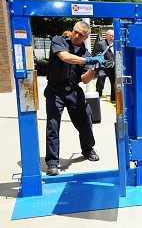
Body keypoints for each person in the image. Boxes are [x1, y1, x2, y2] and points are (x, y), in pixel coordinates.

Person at [44, 21, 105, 176]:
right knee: (53, 125)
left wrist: (94, 67)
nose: (76, 36)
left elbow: (85, 79)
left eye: (81, 34)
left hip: (73, 91)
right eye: (75, 32)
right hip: (55, 90)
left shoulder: (86, 53)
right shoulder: (59, 41)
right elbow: (64, 57)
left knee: (86, 119)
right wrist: (88, 61)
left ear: (86, 37)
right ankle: (52, 162)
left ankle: (88, 148)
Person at [94, 29, 115, 102]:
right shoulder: (101, 43)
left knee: (114, 82)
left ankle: (113, 98)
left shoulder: (116, 43)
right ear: (107, 35)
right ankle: (98, 93)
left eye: (113, 35)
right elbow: (95, 53)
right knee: (100, 78)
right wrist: (101, 59)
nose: (112, 37)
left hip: (113, 67)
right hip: (103, 66)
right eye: (110, 35)